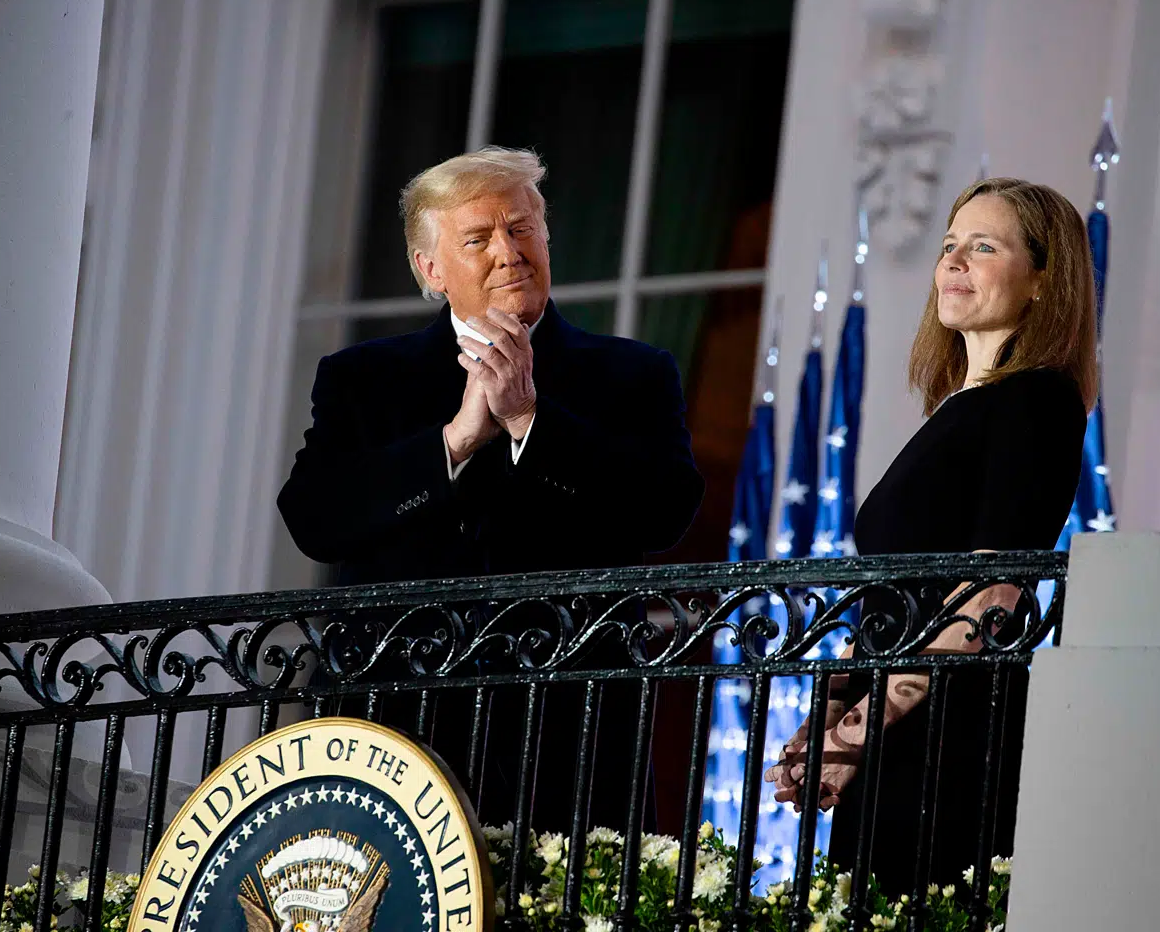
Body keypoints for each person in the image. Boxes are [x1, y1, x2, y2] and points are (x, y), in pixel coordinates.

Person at [278, 147, 704, 830]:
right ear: (431, 269)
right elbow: (314, 519)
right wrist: (454, 442)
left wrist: (530, 420)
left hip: (573, 733)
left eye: (522, 228)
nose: (509, 252)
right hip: (397, 729)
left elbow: (664, 511)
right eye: (478, 238)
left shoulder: (633, 373)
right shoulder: (364, 379)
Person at [764, 178, 1097, 892]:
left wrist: (854, 736)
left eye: (983, 246)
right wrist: (823, 722)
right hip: (894, 730)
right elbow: (889, 597)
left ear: (1044, 279)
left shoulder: (1038, 399)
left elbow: (990, 598)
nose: (953, 262)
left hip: (949, 733)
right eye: (949, 246)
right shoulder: (962, 409)